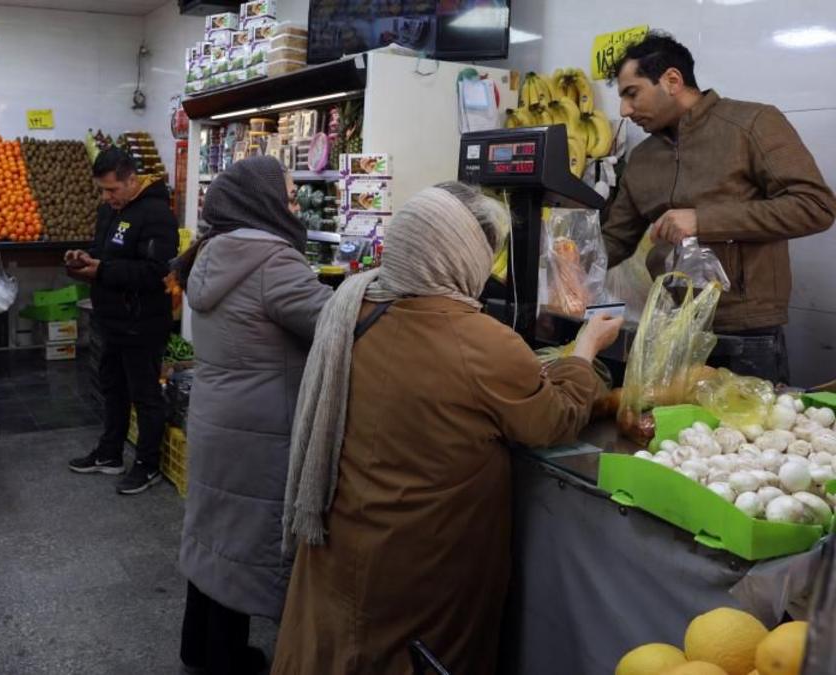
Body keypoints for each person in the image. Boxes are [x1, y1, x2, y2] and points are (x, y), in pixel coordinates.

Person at [271, 184, 623, 675]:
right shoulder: (478, 340)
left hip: (343, 534)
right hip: (424, 562)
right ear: (462, 254)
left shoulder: (355, 306)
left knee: (334, 650)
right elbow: (553, 420)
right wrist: (584, 350)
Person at [602, 31, 835, 383]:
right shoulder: (642, 158)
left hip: (747, 334)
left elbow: (815, 206)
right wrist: (567, 264)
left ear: (672, 80)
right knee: (669, 436)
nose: (624, 110)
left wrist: (703, 220)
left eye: (632, 94)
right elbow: (615, 239)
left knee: (747, 436)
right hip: (673, 329)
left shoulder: (751, 124)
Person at [175, 156, 332, 675]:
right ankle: (226, 660)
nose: (294, 207)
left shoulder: (212, 253)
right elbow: (329, 323)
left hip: (217, 418)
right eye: (288, 197)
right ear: (260, 202)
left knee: (212, 537)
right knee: (242, 547)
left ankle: (197, 647)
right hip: (259, 429)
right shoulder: (274, 262)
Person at [65, 148, 178, 495]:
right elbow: (104, 252)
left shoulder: (158, 213)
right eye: (102, 190)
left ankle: (147, 464)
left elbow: (158, 272)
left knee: (145, 394)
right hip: (111, 317)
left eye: (112, 190)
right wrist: (85, 259)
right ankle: (110, 452)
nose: (106, 197)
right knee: (112, 386)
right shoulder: (109, 211)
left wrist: (104, 269)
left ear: (132, 180)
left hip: (142, 321)